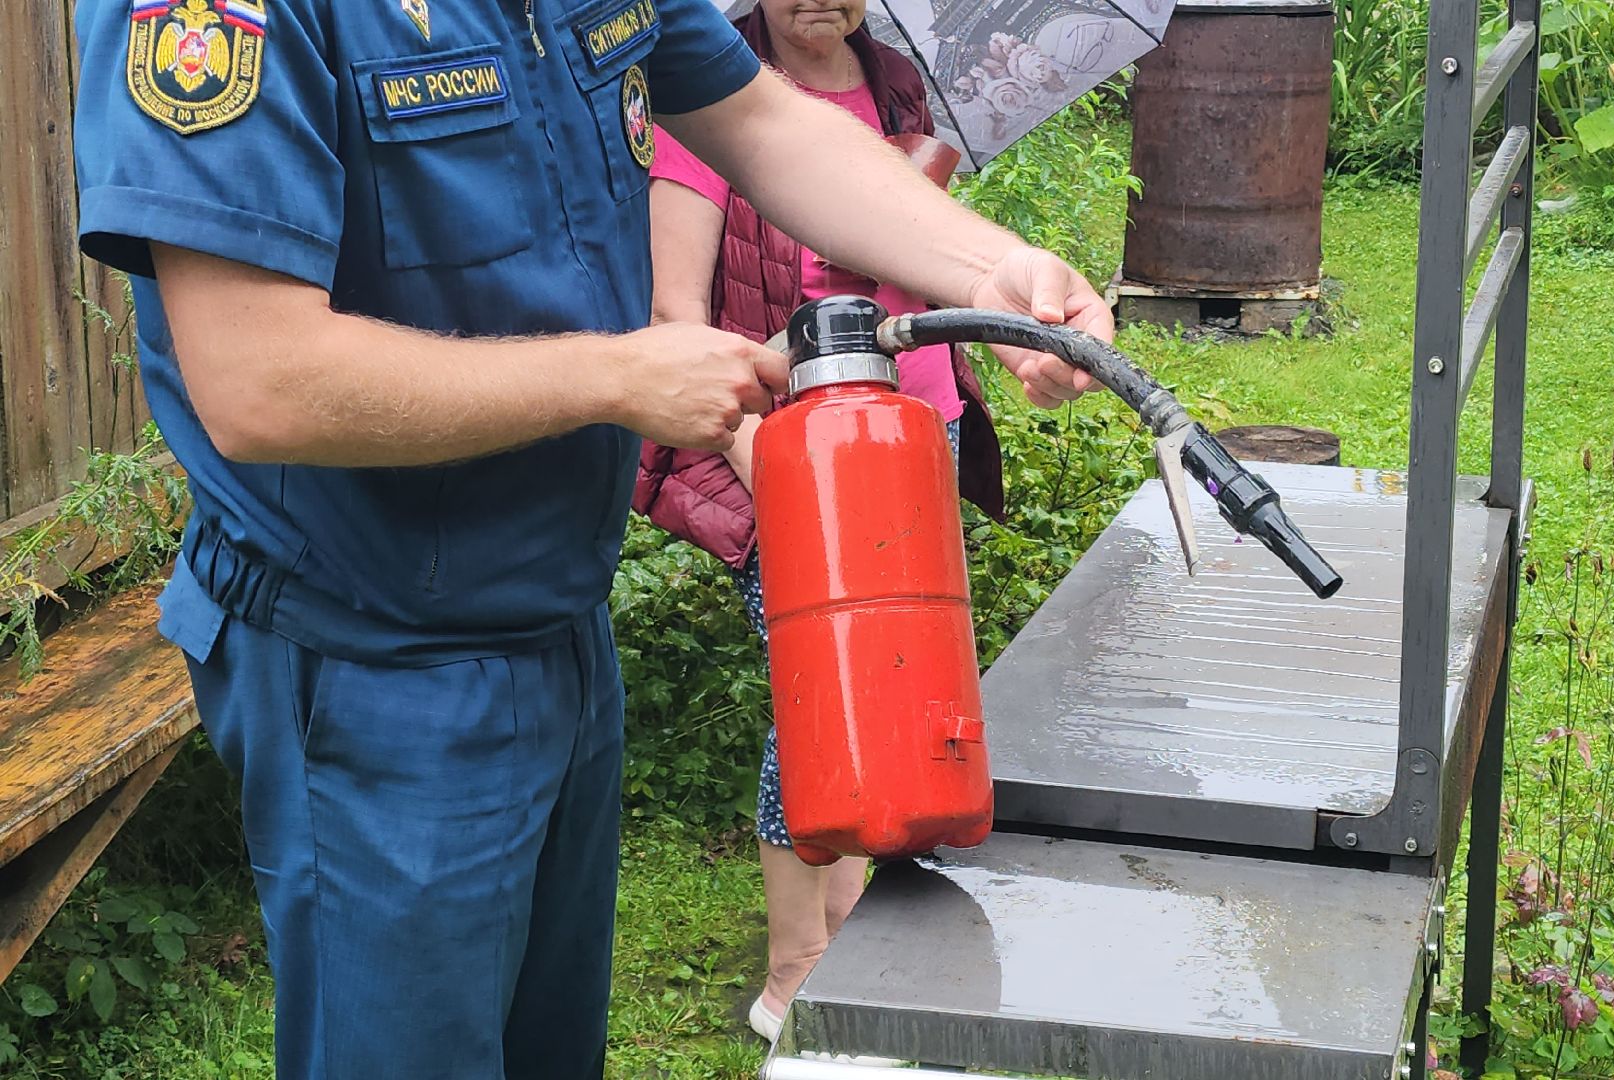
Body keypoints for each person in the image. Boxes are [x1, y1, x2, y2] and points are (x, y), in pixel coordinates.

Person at [68, 0, 1108, 1076]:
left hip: (561, 621)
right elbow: (258, 380)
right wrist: (615, 377)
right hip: (369, 661)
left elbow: (760, 122)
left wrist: (987, 269)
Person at [631, 0, 999, 1048]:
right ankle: (796, 956)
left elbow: (914, 276)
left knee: (899, 678)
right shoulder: (711, 99)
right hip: (788, 453)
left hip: (911, 439)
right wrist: (778, 472)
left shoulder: (897, 90)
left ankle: (854, 926)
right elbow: (675, 316)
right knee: (819, 695)